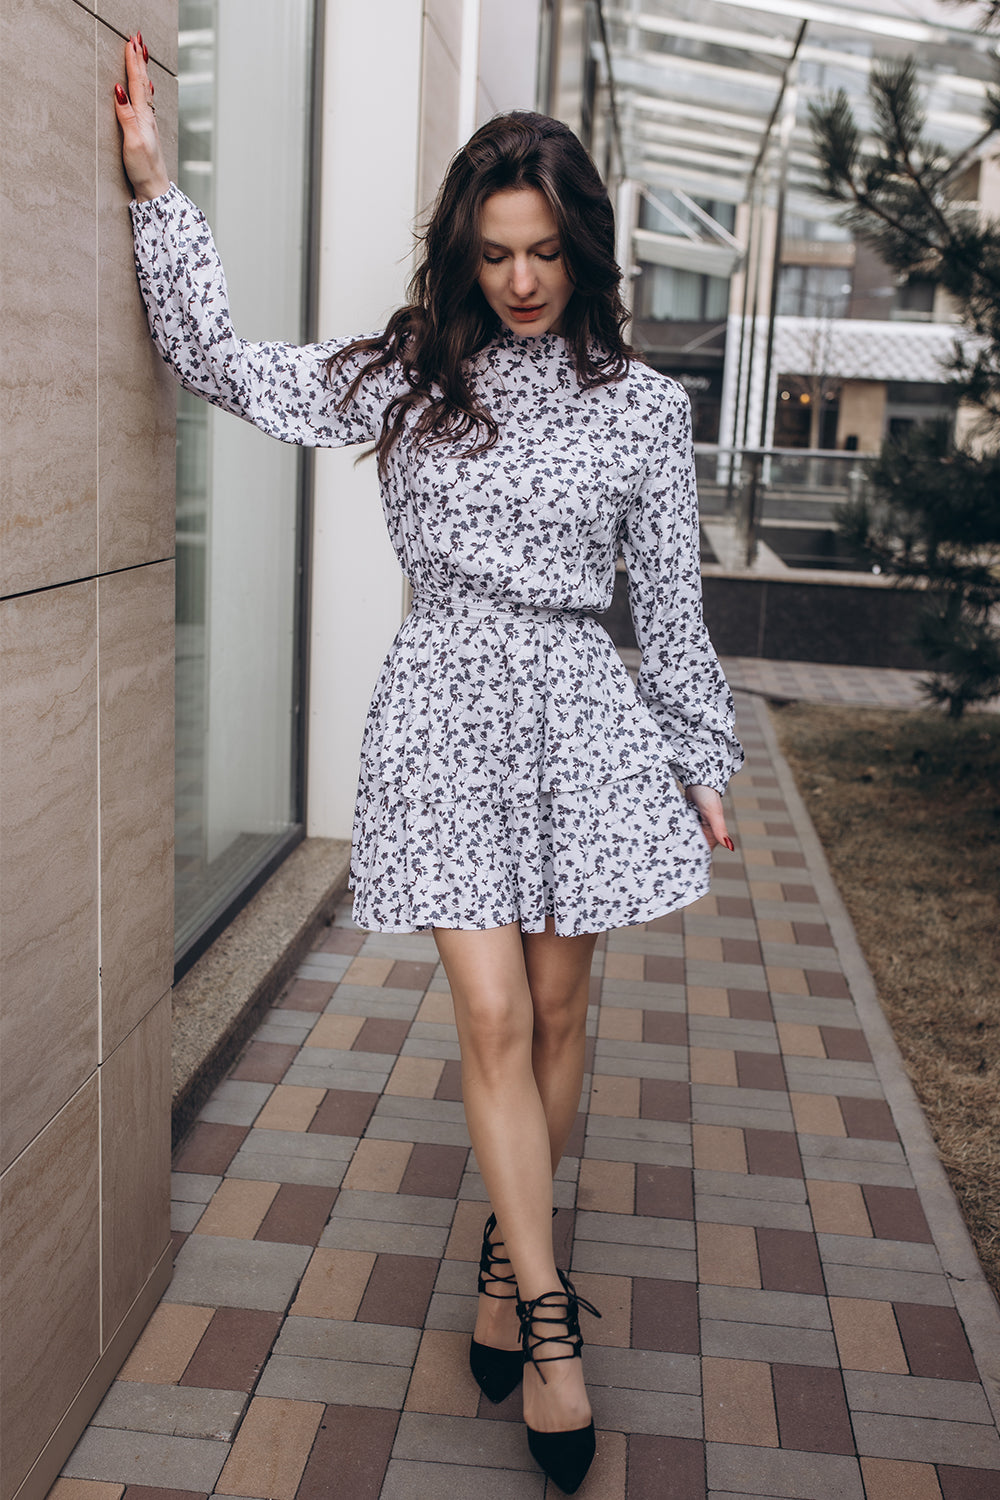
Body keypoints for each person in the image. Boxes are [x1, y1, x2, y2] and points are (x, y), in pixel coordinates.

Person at [115, 32, 741, 1495]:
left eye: (542, 251)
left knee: (562, 1004)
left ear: (579, 246)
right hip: (448, 702)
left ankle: (498, 1252)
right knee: (492, 1015)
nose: (520, 279)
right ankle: (548, 1320)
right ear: (463, 252)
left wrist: (698, 753)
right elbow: (217, 359)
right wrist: (159, 186)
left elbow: (672, 606)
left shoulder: (645, 410)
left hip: (584, 712)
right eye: (494, 252)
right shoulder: (411, 375)